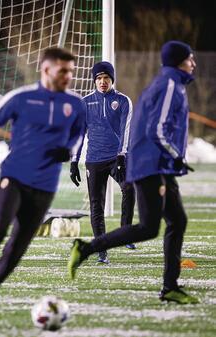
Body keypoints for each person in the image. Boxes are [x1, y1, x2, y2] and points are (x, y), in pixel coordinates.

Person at [0, 47, 86, 325]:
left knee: (17, 247)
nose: (68, 76)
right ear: (46, 69)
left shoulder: (76, 104)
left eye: (71, 71)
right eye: (63, 70)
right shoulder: (22, 98)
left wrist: (69, 150)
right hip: (13, 176)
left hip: (45, 186)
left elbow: (80, 131)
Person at [68, 40, 199, 304]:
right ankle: (89, 248)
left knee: (175, 221)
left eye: (107, 77)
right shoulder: (170, 85)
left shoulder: (159, 87)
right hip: (151, 164)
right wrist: (177, 156)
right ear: (178, 61)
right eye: (190, 59)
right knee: (150, 226)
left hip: (148, 162)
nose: (193, 63)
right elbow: (158, 129)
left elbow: (137, 127)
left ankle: (169, 286)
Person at [70, 61, 136, 264]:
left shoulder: (123, 101)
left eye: (106, 78)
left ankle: (125, 232)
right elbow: (78, 134)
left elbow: (126, 130)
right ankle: (102, 251)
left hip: (117, 158)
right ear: (94, 81)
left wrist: (121, 155)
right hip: (94, 160)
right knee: (96, 205)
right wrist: (74, 161)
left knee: (129, 188)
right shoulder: (85, 103)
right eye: (98, 78)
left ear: (112, 80)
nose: (102, 82)